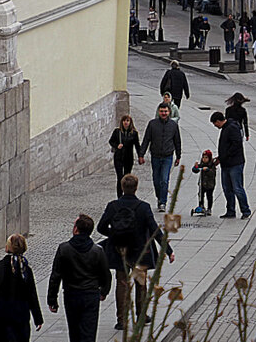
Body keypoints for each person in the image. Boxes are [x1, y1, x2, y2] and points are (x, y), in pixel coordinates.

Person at [97, 174, 174, 330]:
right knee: (141, 284)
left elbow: (100, 227)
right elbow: (155, 231)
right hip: (140, 253)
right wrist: (168, 251)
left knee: (121, 284)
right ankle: (141, 316)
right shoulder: (143, 207)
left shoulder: (113, 206)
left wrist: (113, 235)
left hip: (120, 252)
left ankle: (122, 320)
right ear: (136, 188)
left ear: (122, 187)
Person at [46, 214, 111, 342]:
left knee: (74, 330)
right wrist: (104, 291)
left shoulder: (64, 249)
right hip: (90, 294)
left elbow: (56, 276)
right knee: (89, 330)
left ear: (76, 230)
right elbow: (105, 274)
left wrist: (52, 299)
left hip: (72, 294)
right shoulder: (97, 250)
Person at [0, 233, 43, 342]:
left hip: (1, 319)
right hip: (21, 318)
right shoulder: (25, 270)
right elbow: (32, 296)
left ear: (7, 248)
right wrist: (38, 318)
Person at [138, 104, 181, 212]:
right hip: (155, 156)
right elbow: (146, 139)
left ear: (169, 112)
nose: (163, 113)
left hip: (168, 156)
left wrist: (178, 156)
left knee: (164, 180)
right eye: (161, 111)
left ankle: (163, 202)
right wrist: (141, 154)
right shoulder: (152, 124)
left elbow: (177, 141)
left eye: (165, 111)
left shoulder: (173, 125)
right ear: (158, 112)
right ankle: (159, 197)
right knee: (156, 180)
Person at [211, 112, 250, 219]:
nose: (215, 126)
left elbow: (236, 144)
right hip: (226, 163)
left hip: (235, 163)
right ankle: (230, 210)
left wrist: (225, 156)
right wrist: (220, 158)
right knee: (227, 188)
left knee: (237, 188)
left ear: (218, 121)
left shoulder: (232, 128)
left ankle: (245, 210)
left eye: (215, 124)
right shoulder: (226, 128)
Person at [107, 115, 141, 198]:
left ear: (130, 122)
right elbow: (111, 141)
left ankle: (127, 194)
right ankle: (119, 196)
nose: (126, 122)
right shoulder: (117, 132)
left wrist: (140, 156)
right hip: (119, 157)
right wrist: (117, 146)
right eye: (124, 121)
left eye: (127, 121)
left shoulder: (134, 133)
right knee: (120, 177)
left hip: (128, 157)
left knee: (127, 178)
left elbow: (137, 145)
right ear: (122, 122)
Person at [191, 151, 218, 216]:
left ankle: (209, 208)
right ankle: (201, 205)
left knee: (209, 196)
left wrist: (208, 170)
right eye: (203, 157)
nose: (204, 159)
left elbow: (212, 173)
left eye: (206, 157)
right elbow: (196, 170)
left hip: (210, 184)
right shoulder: (202, 164)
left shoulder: (212, 165)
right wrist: (195, 167)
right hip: (202, 184)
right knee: (200, 194)